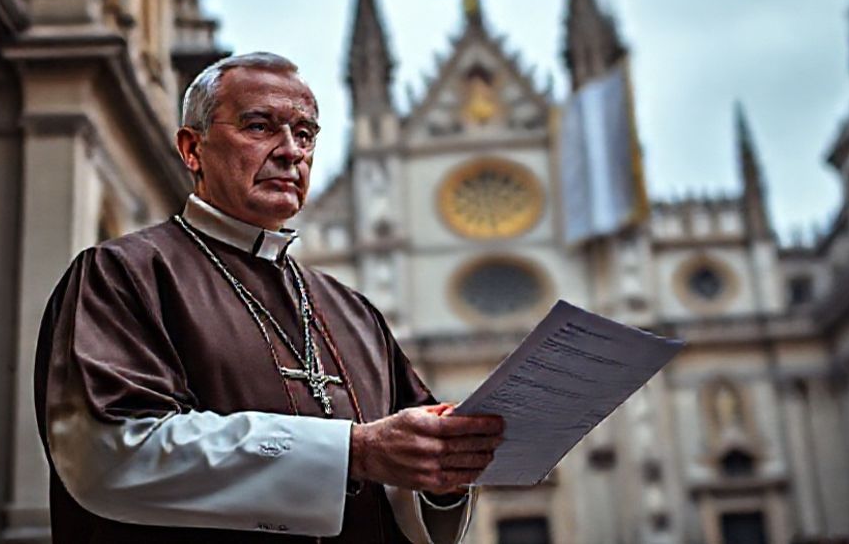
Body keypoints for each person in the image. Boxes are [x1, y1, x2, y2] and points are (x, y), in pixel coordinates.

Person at [34, 52, 504, 544]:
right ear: (192, 149)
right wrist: (352, 452)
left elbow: (408, 490)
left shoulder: (353, 311)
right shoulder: (123, 274)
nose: (290, 152)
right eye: (259, 127)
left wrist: (442, 479)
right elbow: (109, 455)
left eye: (305, 135)